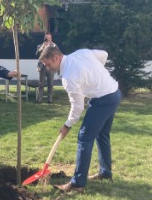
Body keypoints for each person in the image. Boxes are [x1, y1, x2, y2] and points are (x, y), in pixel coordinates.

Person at [39, 45, 121, 193]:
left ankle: (77, 184)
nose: (47, 68)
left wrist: (67, 125)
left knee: (84, 137)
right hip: (114, 94)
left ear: (56, 57)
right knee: (102, 134)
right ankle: (105, 173)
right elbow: (104, 54)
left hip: (103, 100)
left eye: (48, 64)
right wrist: (95, 75)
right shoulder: (81, 53)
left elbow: (78, 107)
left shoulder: (69, 77)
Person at [35, 32, 56, 103]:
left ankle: (49, 100)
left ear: (51, 38)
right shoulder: (40, 46)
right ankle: (39, 99)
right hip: (42, 67)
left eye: (49, 38)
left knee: (50, 84)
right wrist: (42, 47)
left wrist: (52, 46)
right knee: (41, 84)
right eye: (47, 38)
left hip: (50, 67)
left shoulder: (53, 46)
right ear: (44, 38)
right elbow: (37, 54)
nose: (48, 39)